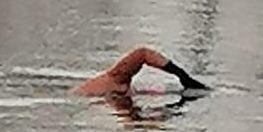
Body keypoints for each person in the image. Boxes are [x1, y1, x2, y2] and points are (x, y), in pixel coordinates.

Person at [73, 46, 207, 97]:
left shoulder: (117, 80)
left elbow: (143, 54)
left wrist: (181, 75)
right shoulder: (115, 78)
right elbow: (143, 54)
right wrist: (182, 75)